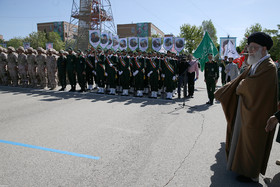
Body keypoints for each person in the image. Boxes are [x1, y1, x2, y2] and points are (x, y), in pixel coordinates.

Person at [214, 32, 277, 183]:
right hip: (249, 109)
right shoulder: (257, 63)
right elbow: (241, 80)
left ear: (264, 49)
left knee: (254, 142)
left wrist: (241, 86)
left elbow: (249, 85)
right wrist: (228, 89)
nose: (250, 51)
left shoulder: (268, 66)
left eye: (254, 48)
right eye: (249, 47)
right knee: (245, 140)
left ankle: (252, 174)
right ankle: (244, 168)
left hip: (259, 113)